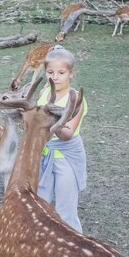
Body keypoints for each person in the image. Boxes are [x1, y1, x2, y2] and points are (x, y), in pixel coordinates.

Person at [36, 45, 88, 233]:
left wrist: (50, 122)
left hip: (66, 159)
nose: (55, 77)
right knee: (41, 203)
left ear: (71, 74)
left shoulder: (76, 100)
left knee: (65, 210)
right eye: (50, 72)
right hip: (43, 155)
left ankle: (75, 245)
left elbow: (67, 134)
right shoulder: (44, 93)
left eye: (61, 72)